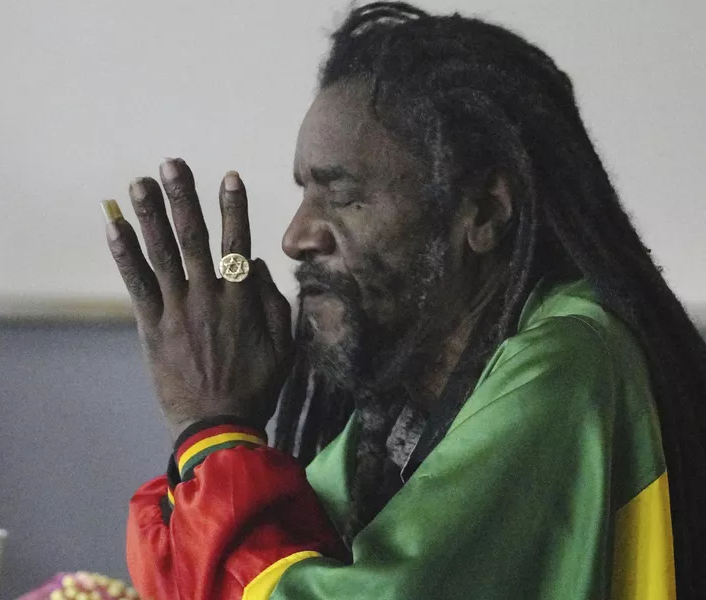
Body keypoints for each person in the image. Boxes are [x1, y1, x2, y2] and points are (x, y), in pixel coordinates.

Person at [101, 3, 706, 599]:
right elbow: (208, 574)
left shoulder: (570, 363)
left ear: (485, 211)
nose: (296, 235)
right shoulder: (405, 407)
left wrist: (213, 430)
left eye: (343, 195)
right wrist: (210, 438)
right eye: (305, 193)